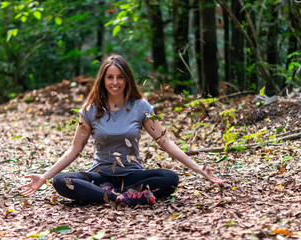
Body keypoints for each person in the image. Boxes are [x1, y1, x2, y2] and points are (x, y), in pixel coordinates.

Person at [19, 54, 224, 206]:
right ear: (103, 80)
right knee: (61, 181)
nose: (115, 82)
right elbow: (74, 150)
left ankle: (108, 194)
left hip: (133, 176)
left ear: (127, 79)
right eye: (110, 77)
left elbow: (165, 142)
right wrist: (44, 177)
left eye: (120, 77)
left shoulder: (142, 107)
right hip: (100, 176)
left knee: (170, 179)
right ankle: (121, 198)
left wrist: (199, 169)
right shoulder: (90, 110)